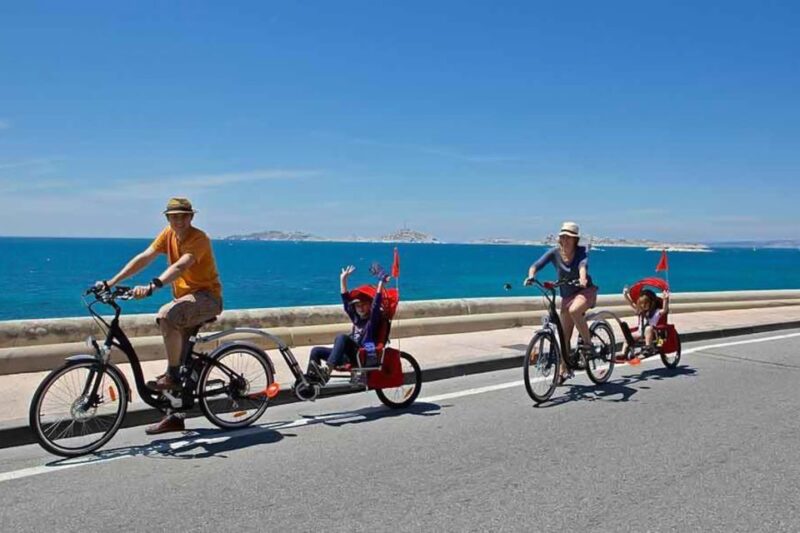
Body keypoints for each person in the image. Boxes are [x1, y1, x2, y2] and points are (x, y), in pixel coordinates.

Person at [102, 197, 223, 434]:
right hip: (187, 300)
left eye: (183, 216)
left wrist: (153, 286)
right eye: (173, 217)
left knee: (166, 316)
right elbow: (145, 257)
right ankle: (176, 415)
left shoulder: (199, 238)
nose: (178, 221)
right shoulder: (168, 234)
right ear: (168, 219)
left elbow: (181, 266)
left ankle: (174, 375)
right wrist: (111, 282)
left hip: (207, 298)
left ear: (191, 217)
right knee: (181, 354)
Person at [525, 221, 598, 383]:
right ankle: (564, 370)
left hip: (584, 291)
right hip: (567, 295)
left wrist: (582, 279)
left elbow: (583, 266)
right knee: (564, 336)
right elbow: (536, 265)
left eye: (569, 238)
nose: (565, 240)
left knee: (574, 310)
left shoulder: (581, 252)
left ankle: (588, 345)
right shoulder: (554, 252)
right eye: (563, 237)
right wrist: (531, 276)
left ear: (575, 240)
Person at [307, 265, 389, 383]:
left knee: (342, 337)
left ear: (369, 305)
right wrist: (343, 279)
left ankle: (327, 371)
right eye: (357, 306)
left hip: (360, 355)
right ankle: (310, 383)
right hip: (345, 356)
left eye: (363, 305)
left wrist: (381, 283)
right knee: (316, 351)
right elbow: (346, 300)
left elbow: (376, 305)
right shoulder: (356, 318)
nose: (360, 308)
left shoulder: (372, 320)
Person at [621, 287, 670, 358]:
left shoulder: (656, 312)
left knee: (648, 328)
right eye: (641, 304)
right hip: (640, 333)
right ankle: (623, 353)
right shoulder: (641, 311)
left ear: (651, 303)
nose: (643, 306)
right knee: (627, 337)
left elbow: (665, 310)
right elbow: (631, 304)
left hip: (654, 334)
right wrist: (625, 295)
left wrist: (665, 299)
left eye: (645, 304)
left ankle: (648, 348)